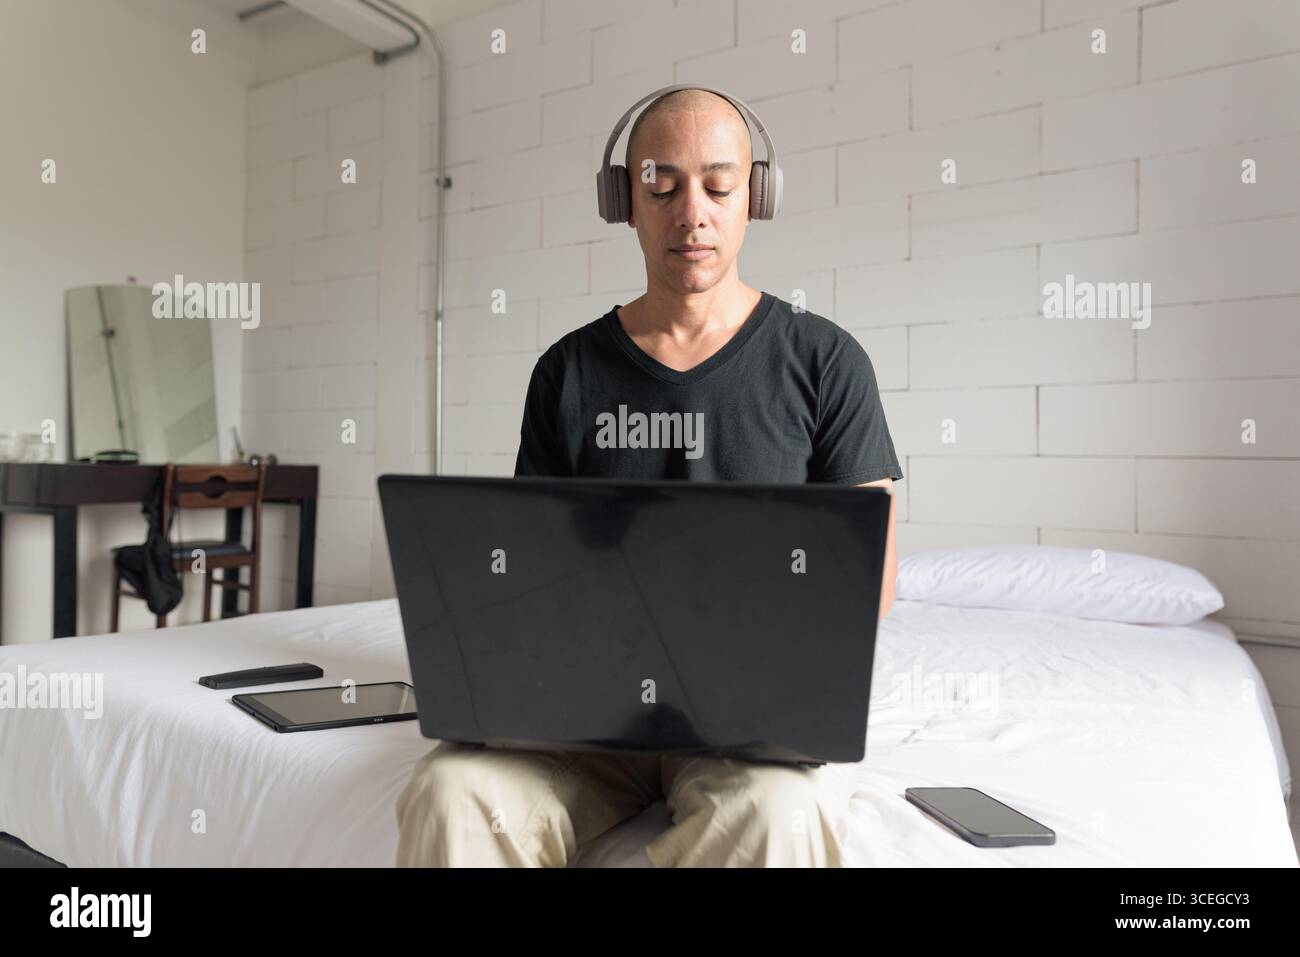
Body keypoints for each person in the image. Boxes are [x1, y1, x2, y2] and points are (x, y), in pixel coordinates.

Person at [396, 87, 902, 867]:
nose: (690, 211)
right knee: (451, 788)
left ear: (754, 199)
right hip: (582, 713)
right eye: (661, 185)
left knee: (779, 810)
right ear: (623, 201)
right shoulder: (565, 371)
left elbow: (873, 580)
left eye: (719, 186)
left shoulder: (826, 361)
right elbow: (523, 571)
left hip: (748, 717)